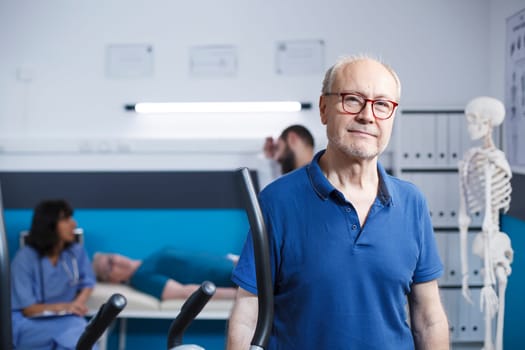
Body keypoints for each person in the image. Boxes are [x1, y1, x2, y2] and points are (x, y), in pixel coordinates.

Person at [228, 55, 449, 349]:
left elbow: (429, 318)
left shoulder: (412, 203)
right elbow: (247, 316)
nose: (368, 116)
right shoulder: (277, 201)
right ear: (323, 109)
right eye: (353, 100)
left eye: (382, 104)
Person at [10, 199, 96, 350]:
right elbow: (28, 309)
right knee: (77, 331)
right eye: (66, 219)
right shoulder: (24, 258)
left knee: (73, 333)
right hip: (28, 324)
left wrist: (78, 303)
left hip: (65, 318)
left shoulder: (76, 252)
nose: (73, 224)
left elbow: (88, 282)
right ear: (48, 224)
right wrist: (68, 306)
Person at [92, 247, 238, 300]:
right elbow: (186, 292)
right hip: (236, 279)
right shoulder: (142, 278)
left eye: (111, 259)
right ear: (112, 281)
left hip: (237, 263)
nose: (116, 263)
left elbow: (196, 257)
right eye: (109, 268)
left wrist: (233, 258)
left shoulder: (147, 260)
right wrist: (237, 294)